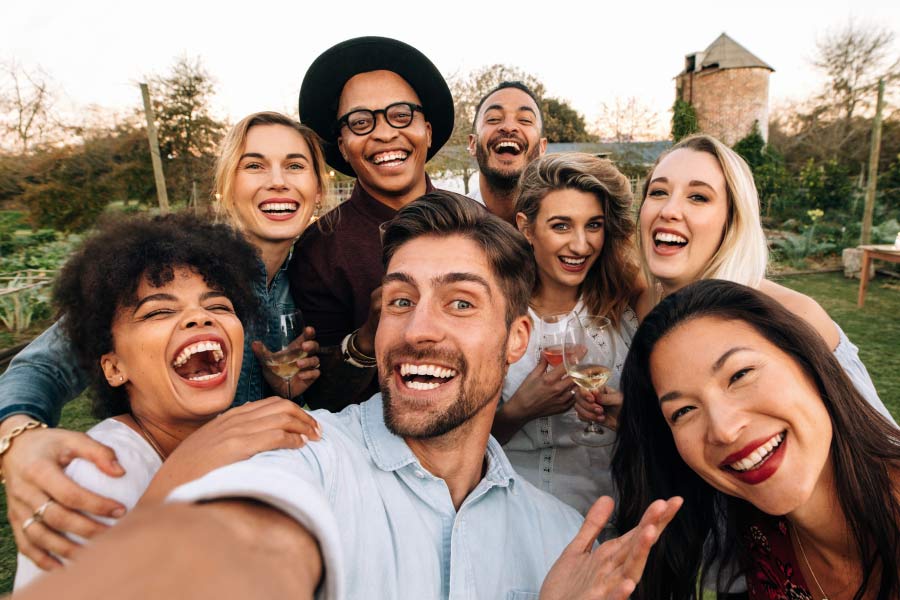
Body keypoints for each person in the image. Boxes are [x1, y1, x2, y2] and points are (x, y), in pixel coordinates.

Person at [15, 192, 683, 600]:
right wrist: (16, 433)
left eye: (459, 301)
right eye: (399, 300)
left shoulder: (564, 542)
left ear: (516, 340)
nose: (418, 329)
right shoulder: (301, 456)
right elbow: (244, 542)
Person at [0, 111, 326, 570]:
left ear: (317, 188)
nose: (278, 181)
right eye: (254, 165)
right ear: (226, 185)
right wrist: (17, 438)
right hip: (156, 486)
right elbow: (44, 365)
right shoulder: (174, 268)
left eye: (295, 165)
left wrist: (281, 385)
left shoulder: (305, 282)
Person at [612, 279, 900, 599]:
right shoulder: (758, 535)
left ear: (808, 361)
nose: (723, 429)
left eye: (740, 375)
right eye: (683, 411)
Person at [636, 133, 896, 425]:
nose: (669, 210)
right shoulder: (644, 307)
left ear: (732, 220)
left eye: (698, 197)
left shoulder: (793, 317)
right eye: (658, 192)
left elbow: (882, 448)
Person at [289, 36, 456, 410]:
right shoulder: (319, 248)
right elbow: (318, 397)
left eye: (401, 115)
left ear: (427, 131)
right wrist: (366, 338)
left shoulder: (479, 226)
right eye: (360, 122)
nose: (383, 133)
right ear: (343, 145)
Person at [492, 153, 645, 515]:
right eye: (561, 226)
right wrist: (518, 412)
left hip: (614, 519)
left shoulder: (627, 310)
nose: (581, 245)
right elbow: (453, 449)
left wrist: (629, 421)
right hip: (515, 520)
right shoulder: (495, 317)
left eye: (593, 225)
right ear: (526, 228)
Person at [467, 80, 547, 223]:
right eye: (493, 119)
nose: (508, 127)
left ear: (542, 147)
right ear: (473, 144)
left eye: (525, 120)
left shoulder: (561, 224)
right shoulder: (448, 226)